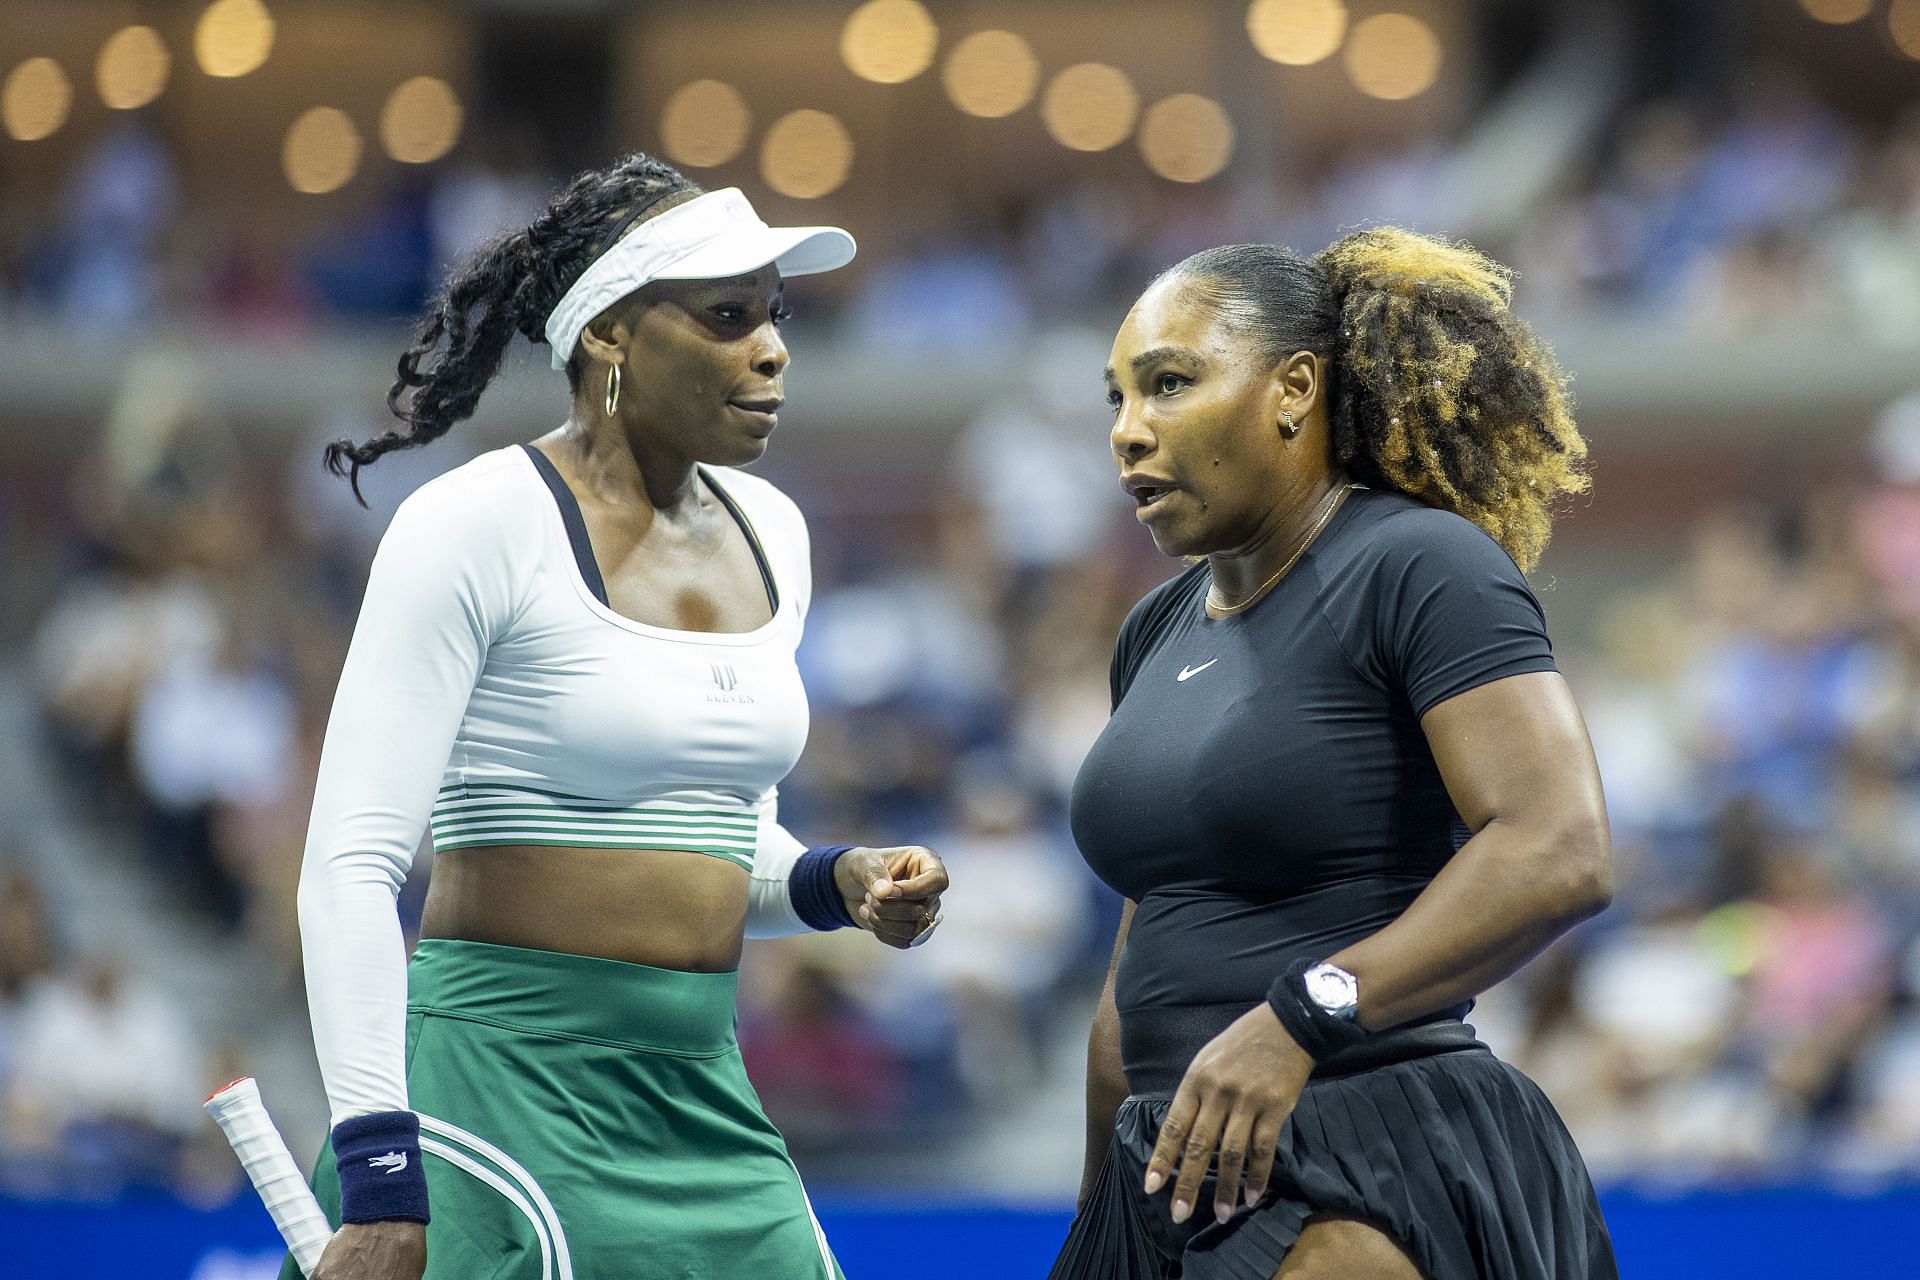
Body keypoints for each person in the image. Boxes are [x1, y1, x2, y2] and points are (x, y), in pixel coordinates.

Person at [285, 153, 949, 1280]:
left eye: (774, 315)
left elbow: (718, 843)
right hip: (499, 1085)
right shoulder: (476, 522)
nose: (773, 347)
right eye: (728, 316)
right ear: (608, 335)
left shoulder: (774, 529)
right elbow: (348, 864)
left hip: (702, 1084)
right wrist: (381, 1167)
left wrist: (833, 879)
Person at [1053, 230, 1616, 1280]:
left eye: (1170, 384)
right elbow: (1138, 962)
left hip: (1372, 1151)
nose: (1130, 431)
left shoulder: (1421, 562)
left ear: (1294, 388)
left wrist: (1300, 1016)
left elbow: (1559, 847)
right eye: (1117, 398)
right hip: (1168, 1164)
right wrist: (1095, 1219)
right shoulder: (1155, 628)